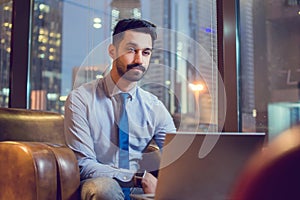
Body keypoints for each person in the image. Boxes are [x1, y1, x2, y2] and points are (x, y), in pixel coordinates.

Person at [64, 18, 176, 200]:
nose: (139, 59)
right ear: (112, 51)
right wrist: (136, 178)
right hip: (97, 184)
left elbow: (177, 156)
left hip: (140, 191)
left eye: (146, 52)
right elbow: (83, 164)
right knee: (104, 188)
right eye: (131, 50)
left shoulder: (154, 107)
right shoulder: (80, 99)